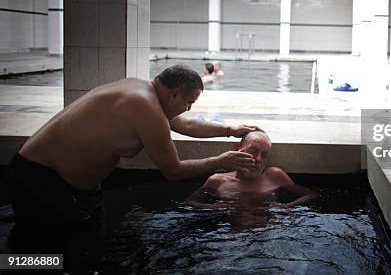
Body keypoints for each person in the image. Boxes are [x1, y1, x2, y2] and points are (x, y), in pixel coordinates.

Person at [6, 64, 259, 251]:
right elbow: (173, 171)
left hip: (66, 183)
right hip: (40, 179)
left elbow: (186, 125)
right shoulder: (146, 109)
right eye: (189, 102)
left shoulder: (142, 90)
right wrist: (220, 162)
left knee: (82, 244)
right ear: (175, 94)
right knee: (44, 254)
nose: (189, 108)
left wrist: (229, 130)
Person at [188, 131, 317, 208]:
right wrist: (215, 208)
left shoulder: (274, 176)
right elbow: (190, 203)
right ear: (238, 148)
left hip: (268, 235)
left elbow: (311, 195)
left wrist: (285, 207)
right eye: (253, 151)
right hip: (233, 237)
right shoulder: (218, 181)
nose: (258, 159)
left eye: (264, 155)